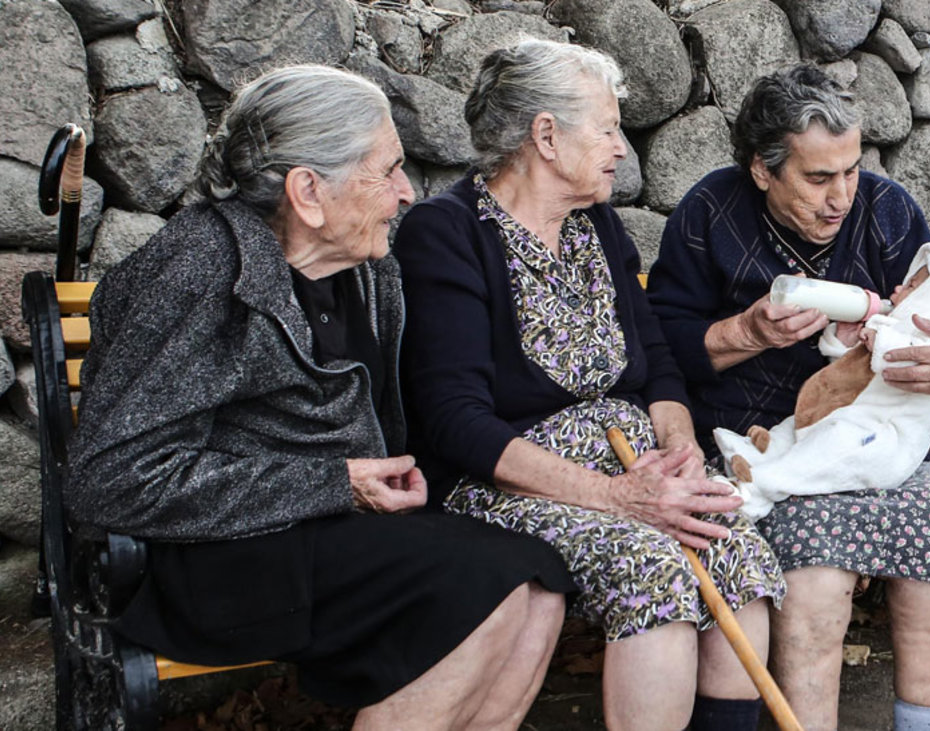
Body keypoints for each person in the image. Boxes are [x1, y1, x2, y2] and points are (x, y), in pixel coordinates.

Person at [67, 65, 575, 730]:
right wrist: (334, 482)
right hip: (220, 555)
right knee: (486, 587)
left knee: (539, 581)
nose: (404, 194)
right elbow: (107, 478)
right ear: (308, 190)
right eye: (387, 169)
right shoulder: (199, 266)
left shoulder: (371, 272)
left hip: (334, 537)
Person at [394, 39, 786, 731]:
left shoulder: (596, 225)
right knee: (652, 565)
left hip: (633, 467)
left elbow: (659, 362)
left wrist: (679, 446)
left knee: (734, 548)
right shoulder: (447, 233)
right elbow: (456, 419)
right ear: (546, 135)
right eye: (606, 128)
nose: (619, 149)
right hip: (509, 485)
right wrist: (616, 497)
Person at [648, 65, 930, 731]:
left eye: (850, 170)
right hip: (764, 448)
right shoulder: (710, 212)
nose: (840, 196)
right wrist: (745, 331)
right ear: (762, 170)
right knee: (814, 572)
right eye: (817, 177)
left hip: (884, 437)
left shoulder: (885, 209)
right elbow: (661, 348)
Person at [714, 243, 930, 521]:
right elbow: (851, 369)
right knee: (796, 428)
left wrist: (879, 339)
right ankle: (752, 455)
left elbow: (912, 360)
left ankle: (759, 490)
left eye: (911, 286)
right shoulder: (894, 324)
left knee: (832, 446)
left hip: (882, 442)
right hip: (847, 414)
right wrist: (843, 340)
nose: (898, 288)